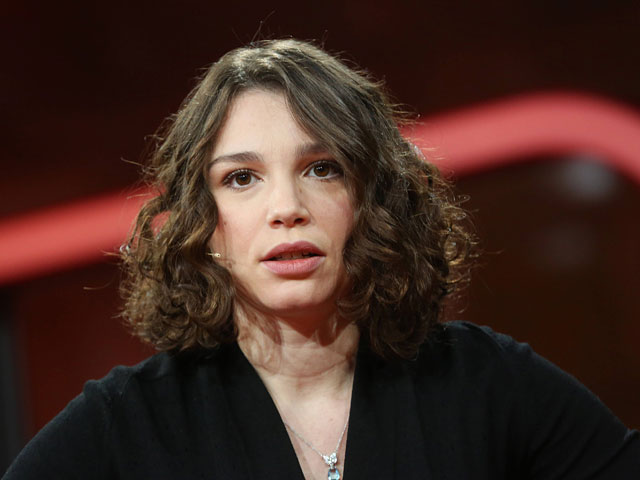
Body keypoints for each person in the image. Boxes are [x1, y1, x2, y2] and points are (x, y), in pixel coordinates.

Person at [3, 39, 638, 480]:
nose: (287, 208)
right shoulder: (128, 424)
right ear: (204, 224)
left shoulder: (485, 382)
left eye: (322, 169)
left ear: (369, 202)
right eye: (241, 179)